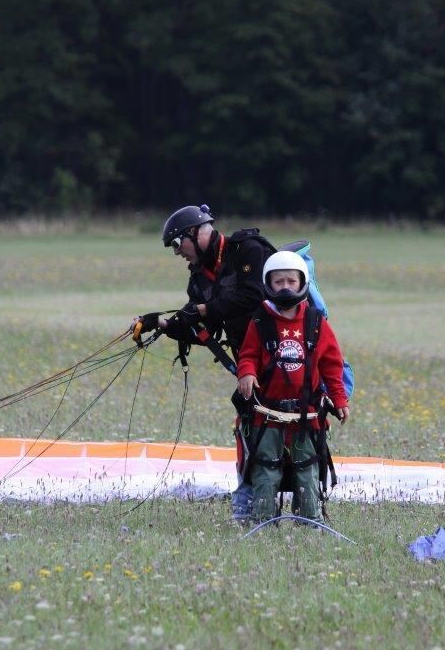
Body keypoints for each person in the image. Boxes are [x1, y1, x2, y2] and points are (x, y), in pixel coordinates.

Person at [133, 204, 275, 521]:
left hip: (279, 354)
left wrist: (203, 311)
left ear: (196, 233)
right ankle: (250, 497)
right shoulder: (198, 280)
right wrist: (163, 324)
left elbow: (254, 296)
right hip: (247, 361)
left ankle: (291, 492)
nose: (177, 253)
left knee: (280, 425)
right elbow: (200, 328)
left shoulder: (247, 251)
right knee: (248, 422)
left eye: (176, 244)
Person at [235, 251, 350, 524]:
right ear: (268, 284)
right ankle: (261, 520)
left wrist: (340, 399)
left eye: (291, 281)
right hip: (267, 416)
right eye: (278, 282)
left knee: (307, 468)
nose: (285, 286)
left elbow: (333, 365)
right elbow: (248, 355)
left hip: (306, 417)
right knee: (265, 467)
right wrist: (247, 374)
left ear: (302, 284)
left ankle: (310, 520)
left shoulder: (316, 323)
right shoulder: (260, 321)